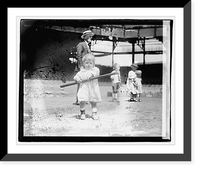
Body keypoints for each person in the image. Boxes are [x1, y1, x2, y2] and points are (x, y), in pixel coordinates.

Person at [73, 53, 101, 120]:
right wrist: (77, 79)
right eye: (86, 63)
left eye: (90, 63)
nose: (88, 64)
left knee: (94, 101)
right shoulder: (82, 72)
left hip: (93, 88)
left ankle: (94, 113)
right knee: (82, 100)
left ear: (93, 64)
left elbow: (96, 73)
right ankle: (82, 113)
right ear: (83, 64)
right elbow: (76, 76)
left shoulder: (95, 70)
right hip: (84, 89)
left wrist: (92, 75)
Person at [74, 30, 94, 105]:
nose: (91, 38)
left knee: (86, 84)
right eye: (90, 37)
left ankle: (84, 99)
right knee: (80, 84)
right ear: (86, 37)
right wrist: (80, 67)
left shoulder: (88, 46)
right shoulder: (81, 44)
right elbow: (79, 56)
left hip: (87, 68)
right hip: (82, 67)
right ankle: (78, 100)